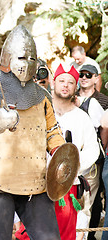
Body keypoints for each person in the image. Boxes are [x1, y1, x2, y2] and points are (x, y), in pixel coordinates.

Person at [0, 25, 65, 240]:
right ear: (8, 58)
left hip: (35, 181)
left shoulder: (42, 95)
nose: (26, 63)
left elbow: (52, 131)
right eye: (21, 57)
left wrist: (61, 155)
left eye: (31, 58)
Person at [52, 63, 100, 240]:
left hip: (71, 186)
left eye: (70, 82)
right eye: (61, 81)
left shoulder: (82, 117)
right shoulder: (42, 114)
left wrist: (74, 166)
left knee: (70, 234)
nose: (65, 85)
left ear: (75, 88)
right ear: (53, 83)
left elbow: (92, 149)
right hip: (40, 187)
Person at [76, 64, 106, 240]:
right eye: (81, 74)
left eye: (89, 75)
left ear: (96, 78)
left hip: (93, 160)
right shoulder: (70, 98)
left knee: (89, 204)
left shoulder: (101, 100)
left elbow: (104, 127)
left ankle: (88, 236)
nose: (84, 77)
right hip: (71, 160)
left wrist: (100, 148)